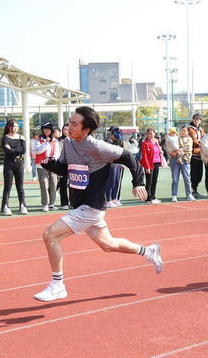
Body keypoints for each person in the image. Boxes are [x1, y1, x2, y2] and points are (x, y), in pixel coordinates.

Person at [33, 106, 162, 302]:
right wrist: (49, 164)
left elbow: (128, 157)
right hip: (81, 205)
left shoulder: (97, 147)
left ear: (86, 130)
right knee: (108, 245)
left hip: (91, 207)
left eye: (75, 124)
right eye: (69, 122)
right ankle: (149, 251)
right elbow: (65, 169)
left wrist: (138, 182)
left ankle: (57, 285)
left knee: (50, 236)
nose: (69, 126)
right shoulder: (68, 143)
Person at [1, 119, 27, 216]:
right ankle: (5, 206)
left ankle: (23, 205)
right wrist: (17, 150)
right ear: (9, 127)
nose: (15, 128)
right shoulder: (6, 138)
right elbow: (8, 152)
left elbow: (23, 150)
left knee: (20, 186)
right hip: (9, 164)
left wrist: (13, 149)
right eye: (13, 126)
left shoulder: (21, 137)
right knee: (8, 186)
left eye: (17, 126)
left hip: (19, 163)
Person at [35, 122, 60, 212]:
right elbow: (38, 151)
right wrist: (45, 143)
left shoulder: (55, 141)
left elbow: (57, 152)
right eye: (45, 129)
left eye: (48, 129)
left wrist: (53, 158)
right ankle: (45, 204)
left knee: (53, 183)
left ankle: (52, 204)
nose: (46, 131)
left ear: (51, 131)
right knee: (44, 184)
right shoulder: (39, 140)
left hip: (52, 165)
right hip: (41, 165)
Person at [140, 127, 164, 205]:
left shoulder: (156, 142)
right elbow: (145, 156)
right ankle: (148, 198)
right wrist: (147, 167)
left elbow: (158, 151)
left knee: (154, 180)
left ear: (154, 133)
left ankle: (153, 196)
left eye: (151, 133)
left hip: (157, 162)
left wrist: (161, 152)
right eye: (148, 134)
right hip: (149, 164)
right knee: (149, 181)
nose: (150, 135)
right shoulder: (145, 143)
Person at [164, 127, 187, 202]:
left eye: (174, 132)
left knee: (187, 179)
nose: (173, 134)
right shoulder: (169, 138)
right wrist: (175, 150)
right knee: (175, 179)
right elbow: (170, 147)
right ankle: (174, 195)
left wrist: (179, 150)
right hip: (173, 156)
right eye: (172, 132)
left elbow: (187, 148)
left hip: (181, 157)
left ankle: (189, 194)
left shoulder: (179, 138)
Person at [105, 126, 125, 208]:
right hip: (110, 165)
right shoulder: (107, 141)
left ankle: (114, 198)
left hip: (117, 164)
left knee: (117, 182)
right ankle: (108, 200)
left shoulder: (117, 142)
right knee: (111, 182)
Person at [188, 114, 205, 198]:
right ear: (193, 120)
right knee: (193, 174)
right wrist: (202, 144)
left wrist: (203, 144)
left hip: (201, 154)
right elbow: (194, 141)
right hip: (193, 154)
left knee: (200, 174)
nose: (196, 121)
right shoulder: (190, 129)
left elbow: (204, 138)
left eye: (198, 119)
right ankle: (192, 190)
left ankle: (195, 189)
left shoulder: (201, 129)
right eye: (195, 119)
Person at [58, 124, 70, 210]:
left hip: (73, 164)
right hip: (63, 164)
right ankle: (64, 202)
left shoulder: (74, 139)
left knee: (74, 184)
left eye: (67, 129)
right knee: (63, 184)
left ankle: (74, 201)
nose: (65, 131)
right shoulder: (59, 140)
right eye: (64, 129)